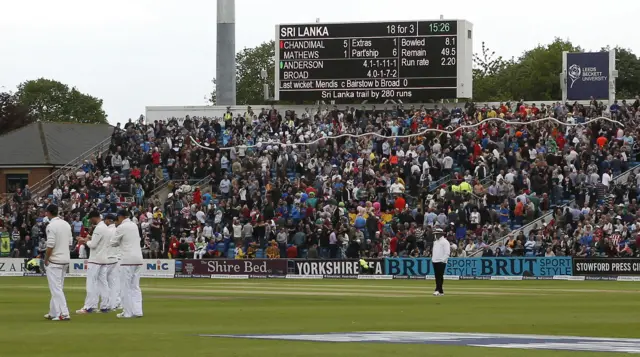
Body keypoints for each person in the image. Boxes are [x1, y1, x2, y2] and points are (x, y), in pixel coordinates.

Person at [76, 212, 117, 314]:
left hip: (95, 259)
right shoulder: (105, 228)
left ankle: (89, 307)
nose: (89, 221)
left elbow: (93, 245)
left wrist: (84, 241)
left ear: (95, 218)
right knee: (103, 284)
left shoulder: (99, 228)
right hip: (104, 259)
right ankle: (105, 306)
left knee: (91, 283)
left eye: (90, 219)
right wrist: (88, 239)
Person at [110, 210, 144, 318]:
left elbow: (113, 242)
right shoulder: (134, 225)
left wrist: (120, 241)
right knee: (135, 286)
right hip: (138, 259)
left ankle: (127, 312)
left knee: (125, 287)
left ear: (121, 217)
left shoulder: (121, 227)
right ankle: (138, 311)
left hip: (127, 260)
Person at [43, 204, 72, 321]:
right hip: (65, 260)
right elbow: (70, 243)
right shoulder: (66, 224)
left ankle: (64, 314)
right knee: (58, 287)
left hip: (55, 261)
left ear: (49, 213)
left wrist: (46, 259)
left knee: (56, 289)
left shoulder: (51, 226)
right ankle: (53, 312)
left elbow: (50, 245)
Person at [431, 228, 451, 296]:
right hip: (435, 261)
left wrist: (443, 260)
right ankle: (441, 291)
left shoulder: (445, 242)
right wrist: (433, 259)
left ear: (440, 234)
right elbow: (434, 251)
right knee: (437, 276)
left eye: (436, 234)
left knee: (439, 276)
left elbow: (447, 253)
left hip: (441, 261)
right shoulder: (435, 242)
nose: (435, 235)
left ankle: (437, 290)